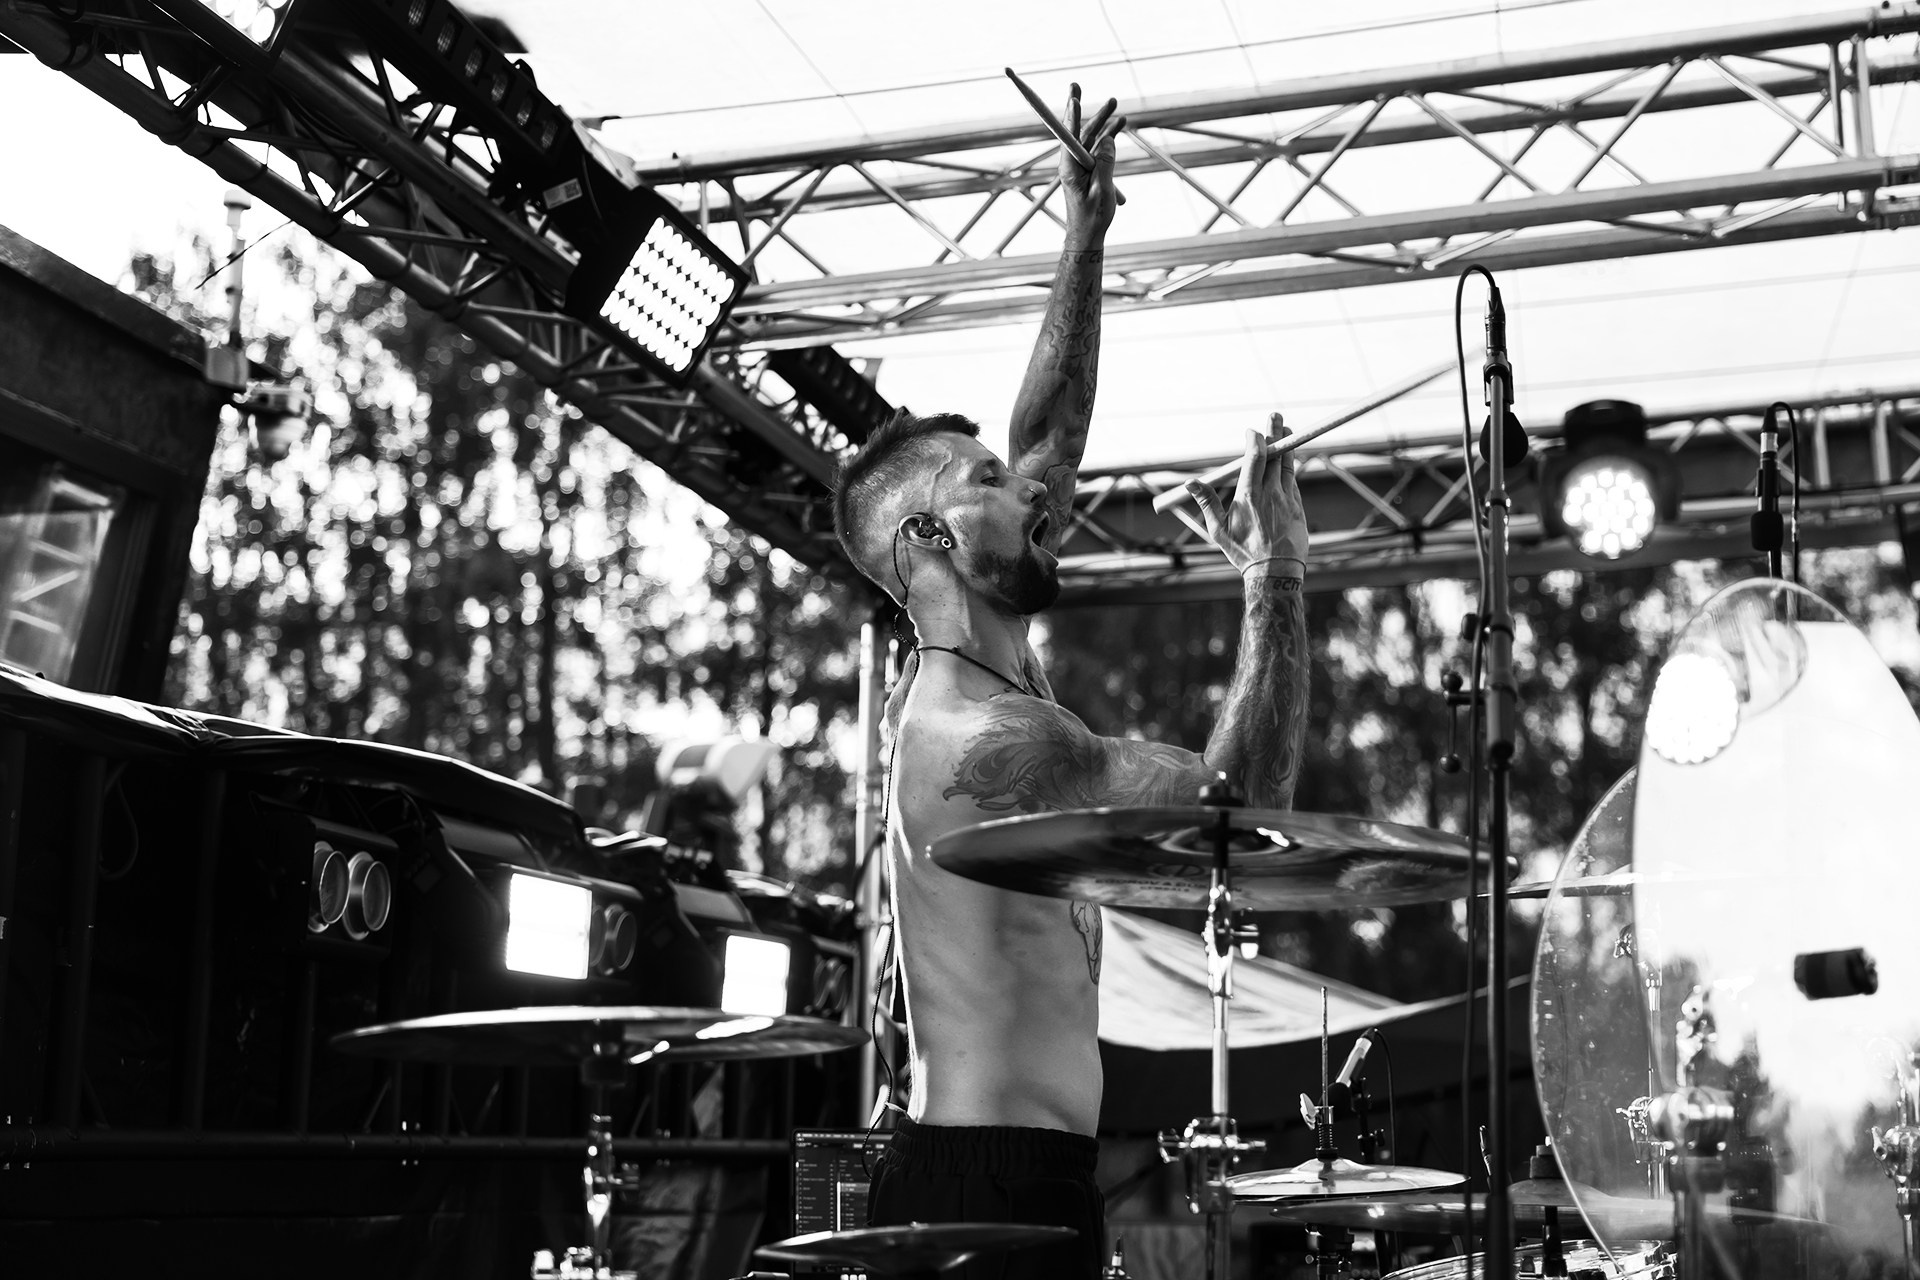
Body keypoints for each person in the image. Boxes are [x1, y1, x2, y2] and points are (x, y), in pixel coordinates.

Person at [829, 85, 1311, 1280]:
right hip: (985, 1184)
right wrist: (1276, 574)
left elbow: (1051, 435)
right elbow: (1237, 804)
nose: (1033, 484)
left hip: (1018, 1172)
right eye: (988, 481)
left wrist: (1084, 233)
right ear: (934, 542)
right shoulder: (987, 738)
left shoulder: (985, 659)